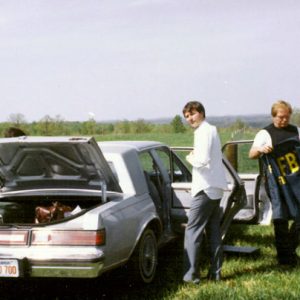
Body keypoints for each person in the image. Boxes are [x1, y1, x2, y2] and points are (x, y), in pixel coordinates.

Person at [249, 100, 300, 266]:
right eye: (280, 117)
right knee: (281, 216)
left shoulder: (296, 131)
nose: (284, 120)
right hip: (276, 181)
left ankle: (289, 249)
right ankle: (284, 258)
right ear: (273, 116)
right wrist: (261, 150)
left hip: (295, 179)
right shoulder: (265, 133)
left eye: (287, 117)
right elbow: (251, 154)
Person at [182, 101, 227, 284]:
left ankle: (190, 276)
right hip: (214, 188)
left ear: (201, 113)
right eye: (186, 116)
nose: (189, 119)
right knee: (214, 231)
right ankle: (215, 273)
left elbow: (201, 160)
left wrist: (189, 156)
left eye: (192, 114)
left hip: (205, 188)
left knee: (192, 231)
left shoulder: (203, 132)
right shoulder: (212, 130)